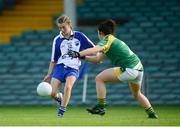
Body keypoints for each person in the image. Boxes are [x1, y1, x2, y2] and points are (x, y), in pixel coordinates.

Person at [67, 19, 158, 118]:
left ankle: (101, 107)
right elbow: (98, 59)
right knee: (137, 94)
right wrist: (82, 57)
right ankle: (152, 114)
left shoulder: (107, 39)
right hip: (139, 69)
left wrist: (78, 53)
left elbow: (95, 49)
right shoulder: (113, 41)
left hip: (129, 69)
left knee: (99, 78)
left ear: (100, 33)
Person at [43, 15, 95, 117]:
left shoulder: (79, 36)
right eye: (59, 28)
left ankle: (61, 110)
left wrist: (83, 55)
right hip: (59, 67)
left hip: (73, 68)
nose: (61, 30)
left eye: (63, 27)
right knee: (52, 93)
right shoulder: (57, 39)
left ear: (69, 25)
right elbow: (53, 60)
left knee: (68, 87)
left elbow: (94, 48)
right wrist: (48, 75)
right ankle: (60, 99)